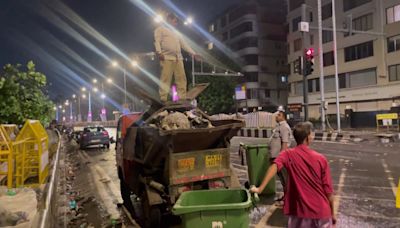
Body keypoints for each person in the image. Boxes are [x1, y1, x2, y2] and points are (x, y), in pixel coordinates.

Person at [251, 122, 336, 228]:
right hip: (321, 213)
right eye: (311, 134)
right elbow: (328, 191)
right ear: (308, 137)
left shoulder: (287, 154)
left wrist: (260, 189)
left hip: (299, 213)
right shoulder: (321, 159)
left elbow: (274, 166)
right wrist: (332, 213)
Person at [154, 13, 198, 102]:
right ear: (169, 20)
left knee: (181, 78)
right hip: (166, 57)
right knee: (165, 78)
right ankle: (163, 98)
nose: (176, 23)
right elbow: (157, 41)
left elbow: (183, 44)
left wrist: (193, 53)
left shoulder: (176, 33)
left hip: (178, 58)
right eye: (175, 21)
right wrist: (159, 52)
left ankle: (182, 97)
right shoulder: (160, 29)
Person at [269, 106, 292, 200]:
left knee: (285, 178)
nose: (276, 116)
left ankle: (289, 198)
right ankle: (286, 196)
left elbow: (285, 143)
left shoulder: (284, 127)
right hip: (276, 158)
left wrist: (281, 159)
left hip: (279, 158)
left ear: (282, 116)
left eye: (278, 115)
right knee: (282, 179)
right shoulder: (279, 126)